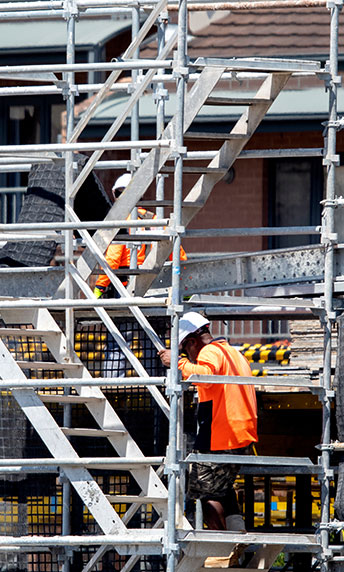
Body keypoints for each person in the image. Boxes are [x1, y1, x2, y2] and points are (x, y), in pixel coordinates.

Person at [158, 312, 258, 537]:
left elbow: (206, 374)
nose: (190, 357)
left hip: (221, 432)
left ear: (192, 341)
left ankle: (220, 547)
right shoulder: (232, 352)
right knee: (222, 487)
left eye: (187, 350)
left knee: (205, 491)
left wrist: (178, 362)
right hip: (239, 431)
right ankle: (236, 536)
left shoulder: (210, 352)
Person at [93, 172, 187, 298]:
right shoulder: (154, 219)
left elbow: (113, 258)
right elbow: (177, 252)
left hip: (124, 285)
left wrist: (100, 287)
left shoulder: (120, 221)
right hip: (152, 282)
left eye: (119, 194)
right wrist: (184, 284)